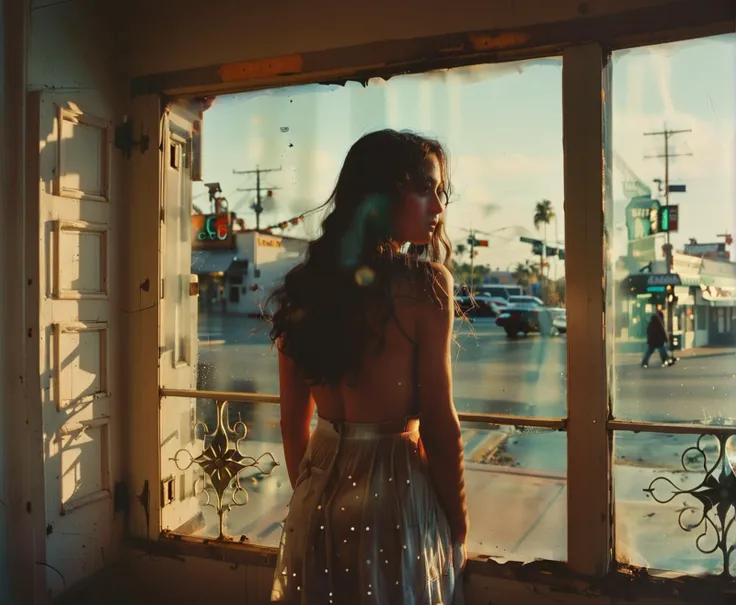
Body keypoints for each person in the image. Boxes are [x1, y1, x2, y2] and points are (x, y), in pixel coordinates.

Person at [268, 129, 468, 604]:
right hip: (395, 496)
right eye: (426, 190)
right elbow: (440, 424)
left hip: (317, 495)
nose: (438, 208)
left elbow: (292, 427)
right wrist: (457, 528)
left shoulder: (305, 286)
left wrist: (311, 499)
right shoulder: (425, 285)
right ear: (384, 194)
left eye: (441, 193)